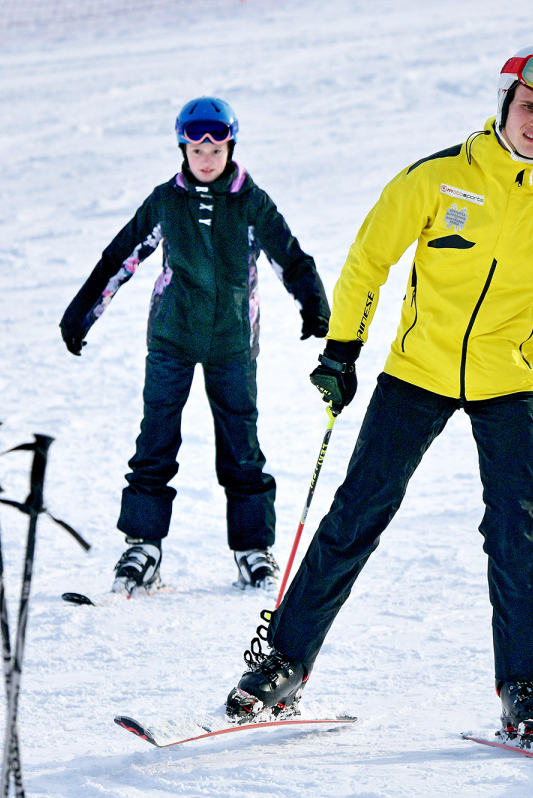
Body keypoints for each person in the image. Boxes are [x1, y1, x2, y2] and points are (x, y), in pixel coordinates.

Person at [225, 46, 533, 742]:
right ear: (505, 103)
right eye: (528, 106)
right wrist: (341, 352)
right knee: (357, 511)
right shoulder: (438, 177)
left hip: (511, 380)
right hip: (418, 369)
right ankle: (284, 664)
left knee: (514, 529)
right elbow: (370, 257)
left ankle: (524, 688)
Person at [59, 97, 331, 596]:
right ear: (182, 148)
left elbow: (290, 258)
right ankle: (143, 546)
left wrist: (313, 305)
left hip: (233, 341)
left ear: (231, 147)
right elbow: (121, 256)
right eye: (197, 149)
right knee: (156, 438)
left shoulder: (251, 202)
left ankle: (252, 549)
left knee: (241, 444)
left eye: (216, 149)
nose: (207, 158)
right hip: (172, 338)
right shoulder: (167, 200)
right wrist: (82, 312)